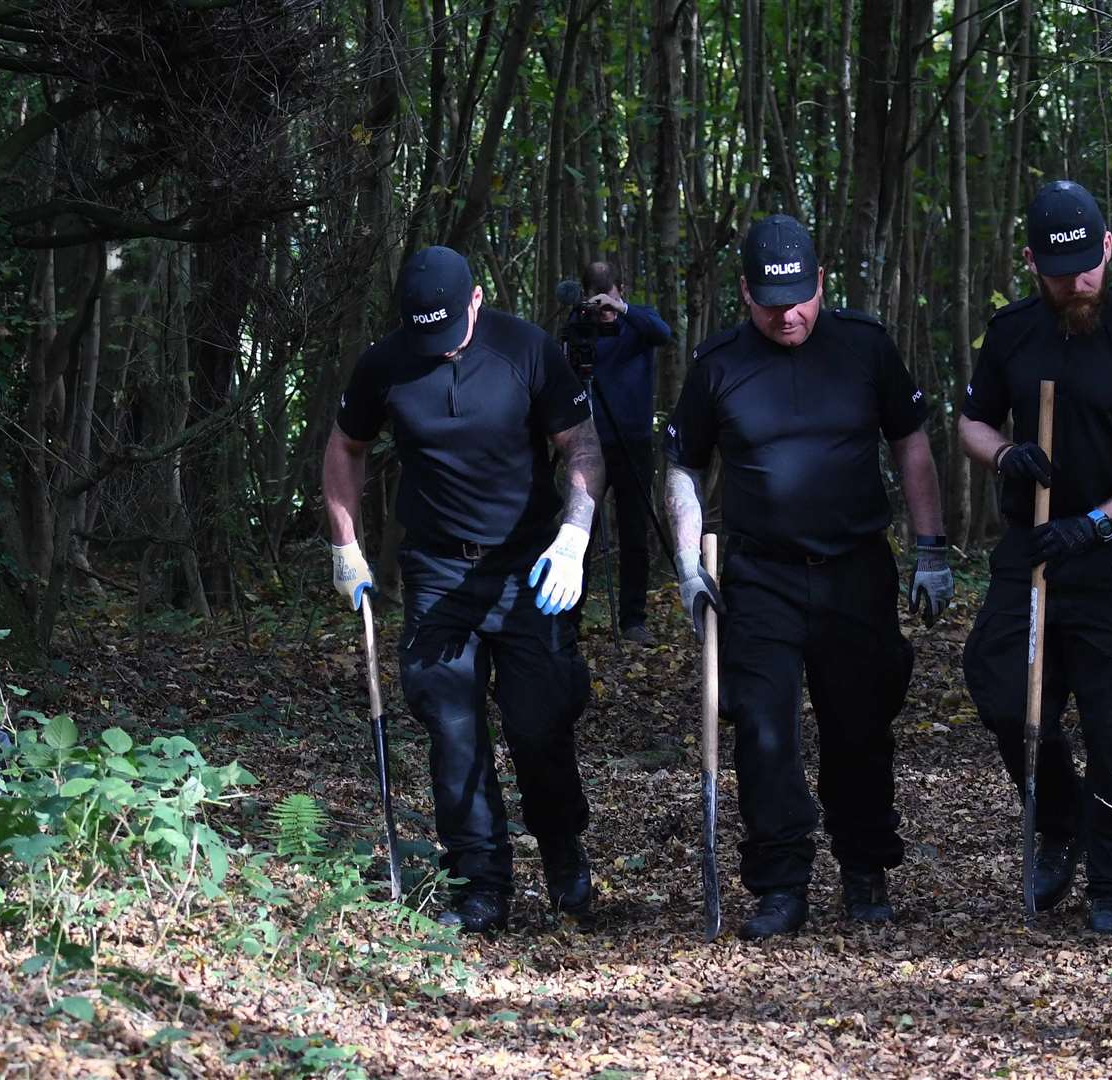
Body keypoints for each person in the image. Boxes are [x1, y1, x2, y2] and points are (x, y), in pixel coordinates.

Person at [662, 214, 950, 940]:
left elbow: (910, 442)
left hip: (855, 567)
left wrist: (931, 548)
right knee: (762, 729)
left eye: (797, 298)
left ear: (820, 283)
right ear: (743, 294)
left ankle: (864, 867)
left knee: (859, 725)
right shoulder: (718, 362)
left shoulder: (863, 346)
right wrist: (689, 562)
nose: (785, 315)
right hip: (758, 575)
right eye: (768, 302)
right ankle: (779, 880)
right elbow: (683, 465)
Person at [323, 246, 606, 934]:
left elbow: (583, 447)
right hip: (437, 568)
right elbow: (344, 447)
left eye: (447, 332)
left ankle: (563, 855)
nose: (439, 350)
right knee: (451, 729)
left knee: (538, 724)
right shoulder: (384, 364)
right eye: (426, 335)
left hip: (528, 566)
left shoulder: (526, 350)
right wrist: (344, 546)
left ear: (475, 301)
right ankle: (480, 883)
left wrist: (572, 538)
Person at [959, 181, 1112, 937]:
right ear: (1032, 263)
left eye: (1087, 265)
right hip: (1028, 548)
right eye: (1060, 270)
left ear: (1107, 250)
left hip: (1111, 557)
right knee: (1001, 691)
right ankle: (1059, 823)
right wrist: (1005, 456)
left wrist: (1094, 523)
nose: (1076, 281)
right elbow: (970, 421)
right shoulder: (1012, 333)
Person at [579, 261, 673, 644]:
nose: (603, 310)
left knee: (634, 531)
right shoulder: (579, 327)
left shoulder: (639, 321)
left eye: (609, 299)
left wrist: (621, 310)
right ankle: (569, 618)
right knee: (580, 529)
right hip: (588, 444)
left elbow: (663, 333)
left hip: (633, 441)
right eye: (596, 300)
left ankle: (634, 620)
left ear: (621, 290)